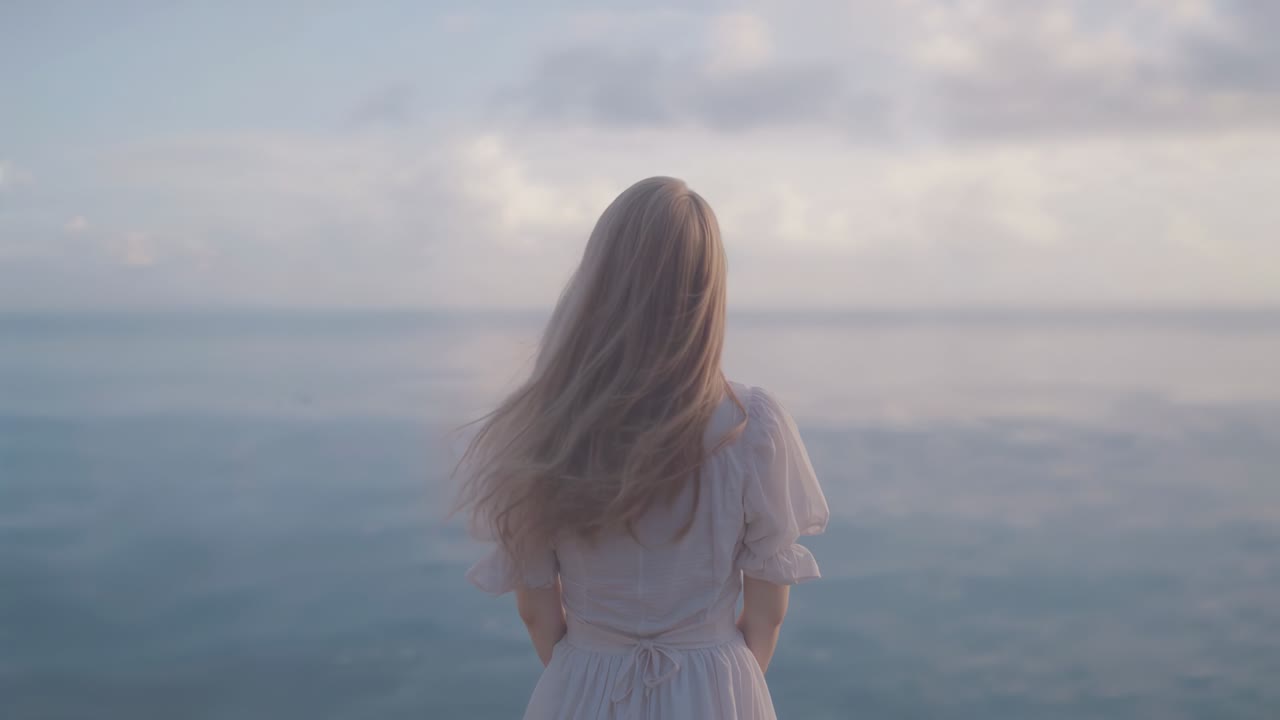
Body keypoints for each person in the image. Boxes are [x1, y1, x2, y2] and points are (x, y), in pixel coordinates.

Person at [453, 176, 829, 719]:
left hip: (582, 685)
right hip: (715, 688)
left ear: (598, 281)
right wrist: (717, 687)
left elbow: (537, 612)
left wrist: (588, 680)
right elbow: (767, 613)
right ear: (708, 291)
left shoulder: (546, 423)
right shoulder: (753, 425)